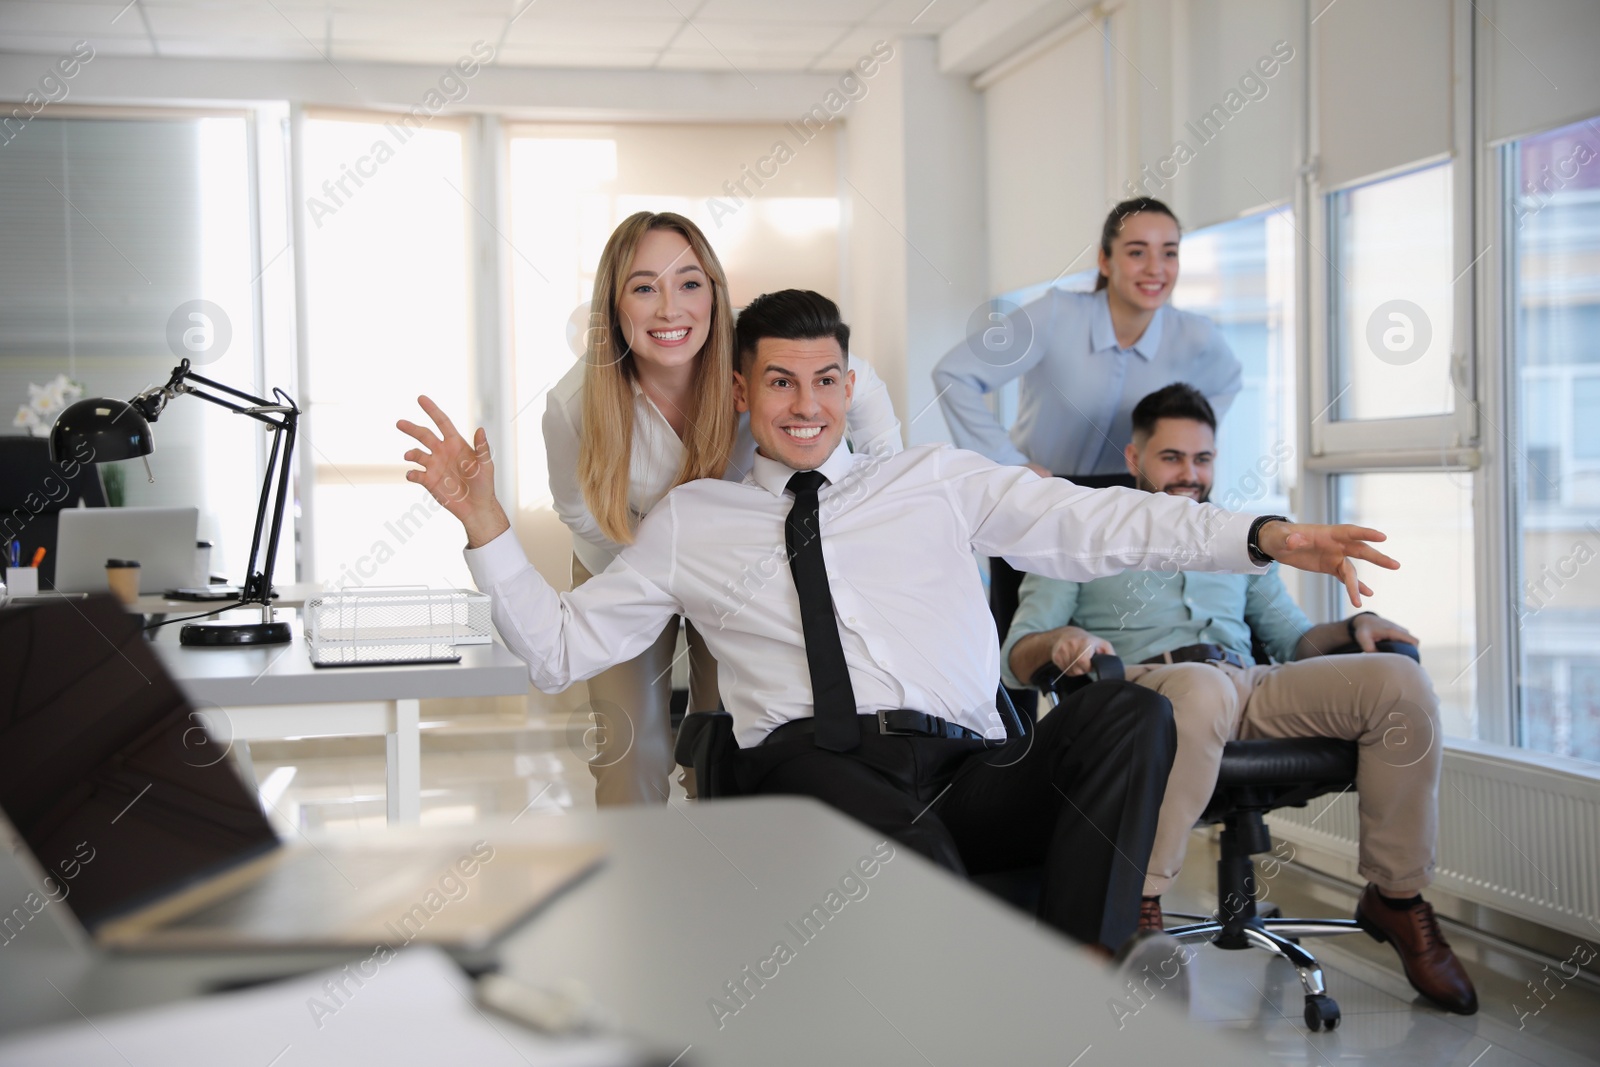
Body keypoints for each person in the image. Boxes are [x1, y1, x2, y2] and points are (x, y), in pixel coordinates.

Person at [397, 290, 1398, 954]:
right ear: (743, 390)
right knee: (921, 886)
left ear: (850, 384)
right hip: (815, 764)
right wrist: (484, 520)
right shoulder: (691, 520)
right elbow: (560, 645)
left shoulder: (932, 482)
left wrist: (1262, 533)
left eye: (826, 379)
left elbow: (1100, 520)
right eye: (780, 381)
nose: (805, 404)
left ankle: (1080, 989)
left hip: (969, 766)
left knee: (1133, 716)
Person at [1001, 383, 1478, 1014]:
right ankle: (1138, 903)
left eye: (1203, 460)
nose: (1189, 475)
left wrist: (1353, 632)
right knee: (1200, 690)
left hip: (1244, 686)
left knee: (1400, 681)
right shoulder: (1081, 533)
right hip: (1139, 694)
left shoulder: (1240, 537)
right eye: (1172, 458)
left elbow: (1293, 643)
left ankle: (1396, 897)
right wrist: (1061, 639)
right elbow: (1017, 656)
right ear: (1135, 457)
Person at [541, 212, 902, 806]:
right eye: (643, 287)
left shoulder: (756, 352)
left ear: (714, 290)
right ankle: (642, 889)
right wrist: (662, 560)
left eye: (689, 283)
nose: (669, 310)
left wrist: (884, 495)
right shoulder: (574, 402)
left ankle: (727, 881)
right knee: (630, 754)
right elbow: (578, 511)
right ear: (614, 304)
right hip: (620, 561)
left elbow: (862, 388)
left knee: (734, 739)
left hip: (741, 564)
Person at [932, 197, 1242, 479]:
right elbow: (954, 374)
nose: (1155, 268)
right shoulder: (1056, 314)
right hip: (1042, 490)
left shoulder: (1195, 335)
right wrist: (1008, 463)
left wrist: (1182, 447)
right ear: (1105, 261)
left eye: (1169, 253)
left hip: (1126, 498)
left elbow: (1227, 382)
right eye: (1137, 252)